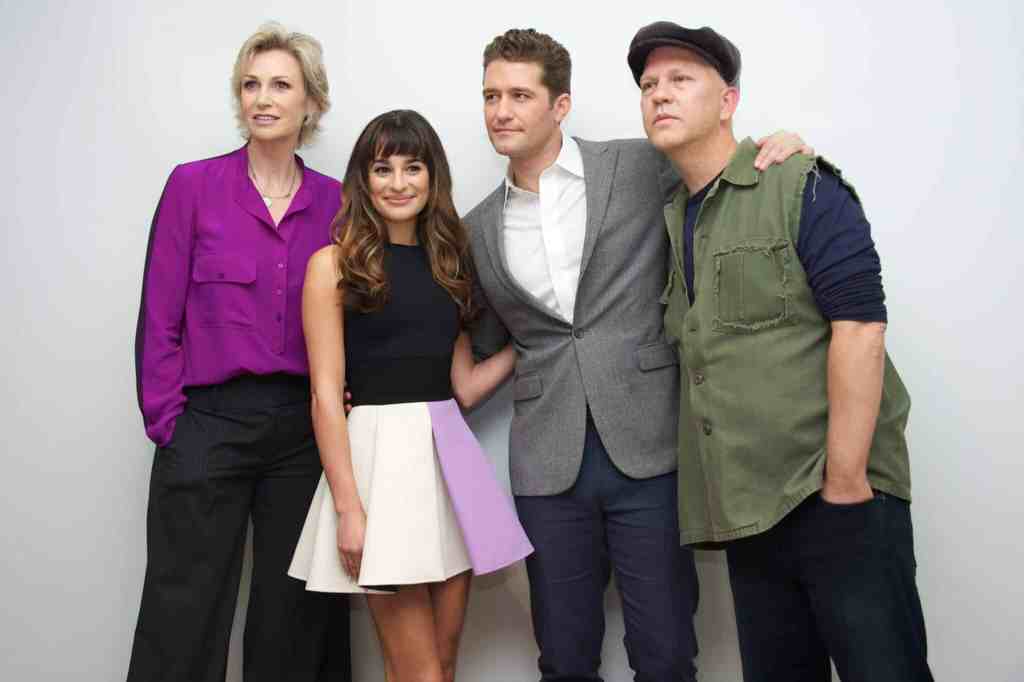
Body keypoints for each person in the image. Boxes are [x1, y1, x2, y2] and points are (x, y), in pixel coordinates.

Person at [464, 28, 810, 682]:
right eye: (489, 96)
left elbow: (720, 172)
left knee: (667, 651)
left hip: (651, 449)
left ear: (559, 105)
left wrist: (781, 146)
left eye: (518, 95)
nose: (500, 111)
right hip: (546, 465)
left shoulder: (637, 166)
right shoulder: (475, 228)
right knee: (563, 658)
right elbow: (486, 339)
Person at [629, 21, 933, 682]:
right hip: (749, 511)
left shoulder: (800, 183)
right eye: (649, 84)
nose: (659, 94)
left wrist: (846, 483)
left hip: (838, 496)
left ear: (729, 100)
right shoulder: (674, 217)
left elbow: (861, 328)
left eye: (681, 79)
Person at [128, 23, 349, 682]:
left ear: (311, 102)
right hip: (207, 423)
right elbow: (158, 318)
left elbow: (356, 321)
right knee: (183, 607)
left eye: (280, 84)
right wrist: (169, 424)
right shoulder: (192, 188)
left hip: (300, 433)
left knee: (295, 614)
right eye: (250, 84)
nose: (262, 98)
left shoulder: (337, 203)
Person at [288, 109, 532, 682]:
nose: (399, 183)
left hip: (449, 465)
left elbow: (465, 387)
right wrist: (349, 509)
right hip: (376, 469)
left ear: (433, 176)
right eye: (383, 168)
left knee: (440, 670)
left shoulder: (451, 264)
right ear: (363, 179)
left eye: (413, 167)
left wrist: (535, 343)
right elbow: (325, 396)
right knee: (419, 673)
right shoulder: (332, 267)